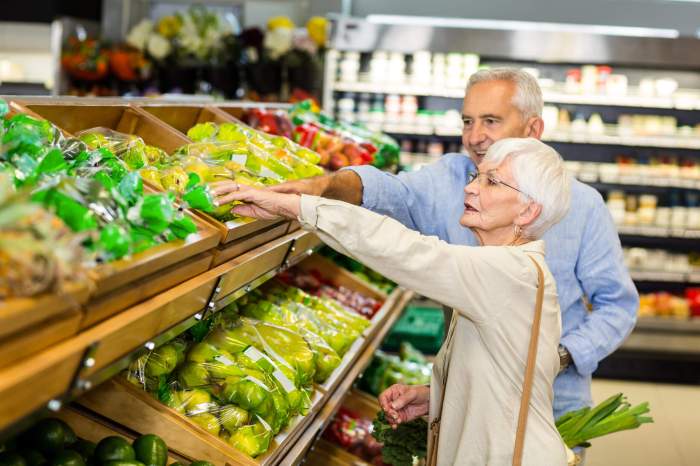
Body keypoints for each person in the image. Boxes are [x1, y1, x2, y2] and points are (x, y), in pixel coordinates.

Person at [266, 68, 639, 424]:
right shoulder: (451, 179)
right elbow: (389, 192)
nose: (474, 136)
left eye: (491, 121)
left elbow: (617, 306)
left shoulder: (584, 205)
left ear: (533, 129)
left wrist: (560, 356)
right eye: (467, 121)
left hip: (554, 404)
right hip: (467, 397)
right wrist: (326, 186)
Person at [210, 137, 571, 465]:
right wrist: (440, 395)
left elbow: (407, 251)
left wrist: (297, 207)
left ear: (528, 211)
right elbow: (514, 369)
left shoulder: (510, 272)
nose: (471, 188)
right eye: (477, 176)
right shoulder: (511, 270)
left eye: (491, 182)